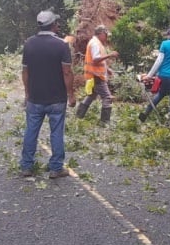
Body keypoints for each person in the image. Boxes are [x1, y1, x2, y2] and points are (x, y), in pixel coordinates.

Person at [20, 10, 76, 178]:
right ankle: (56, 168)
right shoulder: (61, 45)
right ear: (53, 25)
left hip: (35, 97)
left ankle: (26, 166)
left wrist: (27, 93)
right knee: (56, 132)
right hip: (56, 98)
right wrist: (71, 94)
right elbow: (67, 72)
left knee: (31, 131)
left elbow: (25, 72)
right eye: (57, 23)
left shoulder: (29, 44)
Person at [76, 25, 119, 126]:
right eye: (106, 35)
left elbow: (97, 60)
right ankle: (105, 122)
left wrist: (107, 69)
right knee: (107, 97)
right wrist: (110, 55)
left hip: (94, 74)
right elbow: (95, 59)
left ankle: (79, 115)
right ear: (101, 34)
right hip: (96, 75)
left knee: (91, 95)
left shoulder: (97, 43)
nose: (107, 37)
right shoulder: (95, 44)